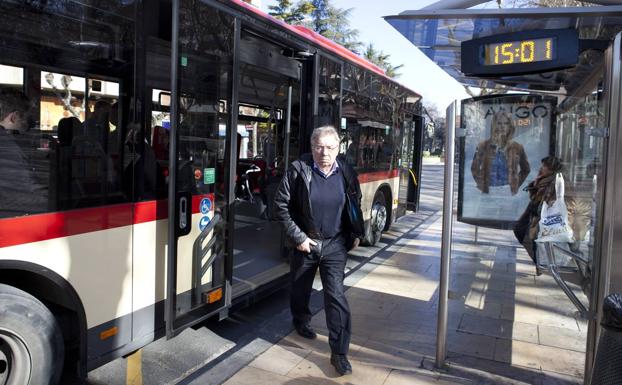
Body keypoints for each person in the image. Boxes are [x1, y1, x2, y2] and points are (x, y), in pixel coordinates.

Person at [272, 125, 364, 376]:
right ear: (312, 147)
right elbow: (280, 205)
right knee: (300, 288)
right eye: (319, 147)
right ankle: (301, 320)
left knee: (336, 296)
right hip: (306, 244)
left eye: (330, 147)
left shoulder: (345, 171)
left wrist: (355, 233)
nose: (324, 152)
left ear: (338, 148)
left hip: (335, 244)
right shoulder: (298, 171)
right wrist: (299, 237)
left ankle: (340, 352)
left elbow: (355, 202)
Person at [0, 88, 45, 217]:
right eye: (24, 117)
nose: (26, 123)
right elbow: (18, 194)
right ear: (14, 117)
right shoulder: (6, 147)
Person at [513, 155, 562, 263]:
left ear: (551, 169)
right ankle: (538, 261)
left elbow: (547, 200)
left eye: (544, 166)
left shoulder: (553, 181)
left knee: (528, 235)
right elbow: (534, 197)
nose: (541, 168)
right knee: (522, 232)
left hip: (539, 214)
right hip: (533, 210)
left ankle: (538, 261)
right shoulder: (544, 179)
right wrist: (536, 184)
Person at [471, 111, 530, 196]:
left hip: (508, 193)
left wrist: (515, 184)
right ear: (494, 125)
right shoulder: (483, 146)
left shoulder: (517, 147)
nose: (502, 126)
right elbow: (474, 168)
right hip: (488, 192)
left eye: (506, 123)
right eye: (499, 123)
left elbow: (526, 169)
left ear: (510, 126)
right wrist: (482, 185)